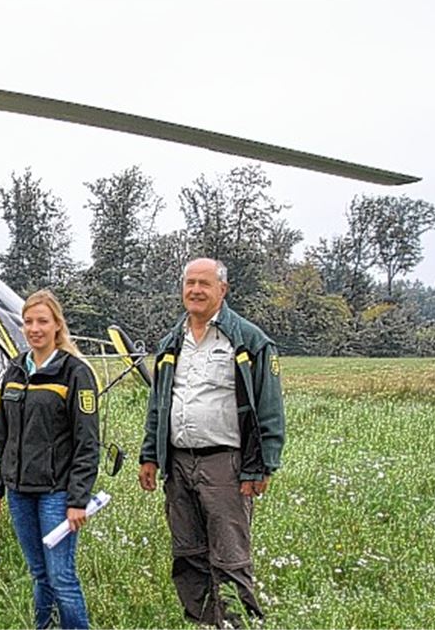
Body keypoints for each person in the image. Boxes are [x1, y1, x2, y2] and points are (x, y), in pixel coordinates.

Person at [138, 258, 285, 628]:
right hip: (179, 463)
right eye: (190, 283)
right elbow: (158, 405)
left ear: (223, 289)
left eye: (204, 283)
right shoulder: (172, 342)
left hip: (226, 463)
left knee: (230, 556)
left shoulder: (248, 340)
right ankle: (202, 622)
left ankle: (238, 624)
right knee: (187, 554)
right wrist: (149, 456)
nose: (196, 290)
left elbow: (269, 406)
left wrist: (262, 464)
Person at [0, 289, 100, 629]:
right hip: (19, 491)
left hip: (57, 493)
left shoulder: (75, 373)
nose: (34, 328)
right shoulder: (16, 369)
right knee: (39, 574)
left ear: (57, 327)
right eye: (28, 322)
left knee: (61, 577)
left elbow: (87, 442)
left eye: (42, 322)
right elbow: (2, 435)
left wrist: (78, 500)